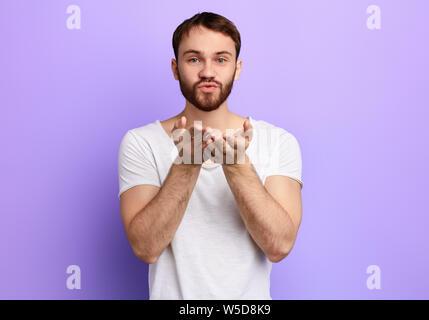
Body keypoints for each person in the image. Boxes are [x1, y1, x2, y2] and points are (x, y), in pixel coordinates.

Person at [117, 12, 303, 300]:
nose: (207, 72)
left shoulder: (278, 141)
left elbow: (279, 245)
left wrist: (237, 165)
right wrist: (186, 164)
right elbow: (146, 248)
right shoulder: (141, 142)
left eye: (220, 59)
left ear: (237, 68)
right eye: (193, 59)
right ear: (175, 68)